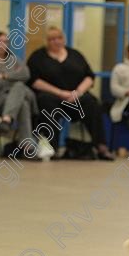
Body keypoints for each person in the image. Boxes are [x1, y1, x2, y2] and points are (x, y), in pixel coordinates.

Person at [27, 26, 114, 160]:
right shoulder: (38, 57)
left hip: (75, 97)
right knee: (46, 102)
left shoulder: (75, 55)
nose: (56, 41)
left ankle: (101, 146)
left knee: (92, 103)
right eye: (52, 39)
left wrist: (78, 92)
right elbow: (34, 81)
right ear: (47, 41)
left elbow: (89, 76)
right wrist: (60, 92)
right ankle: (52, 147)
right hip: (52, 96)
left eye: (59, 38)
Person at [0, 31, 37, 154]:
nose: (3, 45)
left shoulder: (14, 59)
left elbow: (26, 74)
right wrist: (14, 78)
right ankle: (27, 147)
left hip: (11, 100)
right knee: (21, 97)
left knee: (19, 89)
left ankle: (6, 120)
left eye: (6, 42)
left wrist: (5, 76)